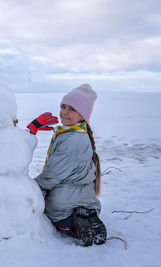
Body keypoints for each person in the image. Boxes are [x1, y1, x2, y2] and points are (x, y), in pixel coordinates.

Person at [34, 84, 107, 247]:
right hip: (83, 198)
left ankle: (73, 225)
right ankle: (85, 216)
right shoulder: (75, 132)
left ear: (83, 115)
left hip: (62, 205)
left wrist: (32, 189)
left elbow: (52, 175)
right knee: (70, 202)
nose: (64, 112)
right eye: (63, 106)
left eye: (72, 109)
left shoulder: (72, 139)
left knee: (52, 208)